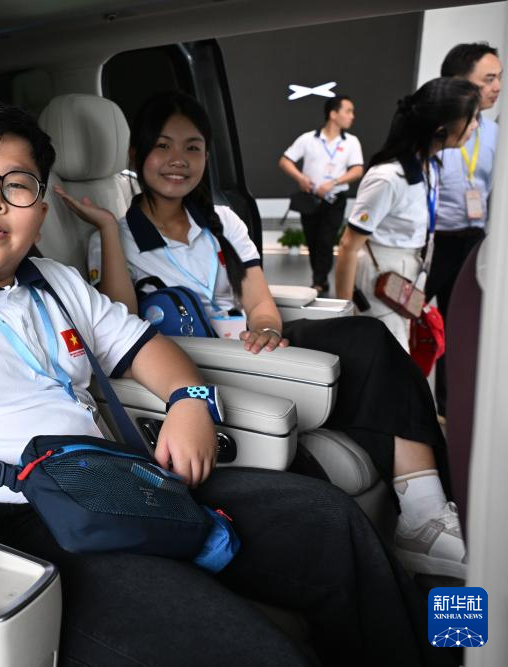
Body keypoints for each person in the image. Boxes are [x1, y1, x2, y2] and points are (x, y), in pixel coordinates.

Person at [0, 100, 452, 666]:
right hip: (21, 531)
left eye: (18, 185)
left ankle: (447, 642)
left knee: (328, 520)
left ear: (40, 210)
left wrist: (190, 401)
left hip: (120, 482)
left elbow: (148, 349)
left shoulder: (55, 283)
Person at [55, 90, 466, 580]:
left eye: (193, 147)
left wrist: (267, 329)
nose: (178, 160)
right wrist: (107, 228)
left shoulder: (221, 221)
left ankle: (425, 512)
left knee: (370, 338)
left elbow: (258, 299)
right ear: (136, 154)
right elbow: (122, 322)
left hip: (250, 344)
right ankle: (423, 516)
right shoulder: (114, 238)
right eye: (163, 146)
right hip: (200, 360)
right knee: (369, 346)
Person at [334, 78, 480, 350]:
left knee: (399, 356)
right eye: (470, 119)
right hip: (379, 278)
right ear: (440, 129)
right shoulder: (389, 177)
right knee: (389, 357)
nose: (475, 126)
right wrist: (344, 315)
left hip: (406, 276)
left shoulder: (428, 167)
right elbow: (348, 246)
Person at [427, 43, 501, 418]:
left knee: (460, 328)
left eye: (499, 78)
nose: (497, 87)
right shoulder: (432, 129)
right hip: (432, 242)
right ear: (459, 81)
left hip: (474, 243)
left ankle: (448, 409)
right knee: (406, 323)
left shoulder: (495, 132)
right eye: (488, 79)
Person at [279, 95, 364, 295]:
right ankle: (319, 278)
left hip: (335, 199)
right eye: (348, 111)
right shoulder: (308, 139)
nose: (352, 116)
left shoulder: (351, 142)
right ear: (333, 114)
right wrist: (300, 178)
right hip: (311, 199)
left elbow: (357, 170)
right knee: (312, 240)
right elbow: (285, 161)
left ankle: (319, 281)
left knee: (327, 239)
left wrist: (334, 182)